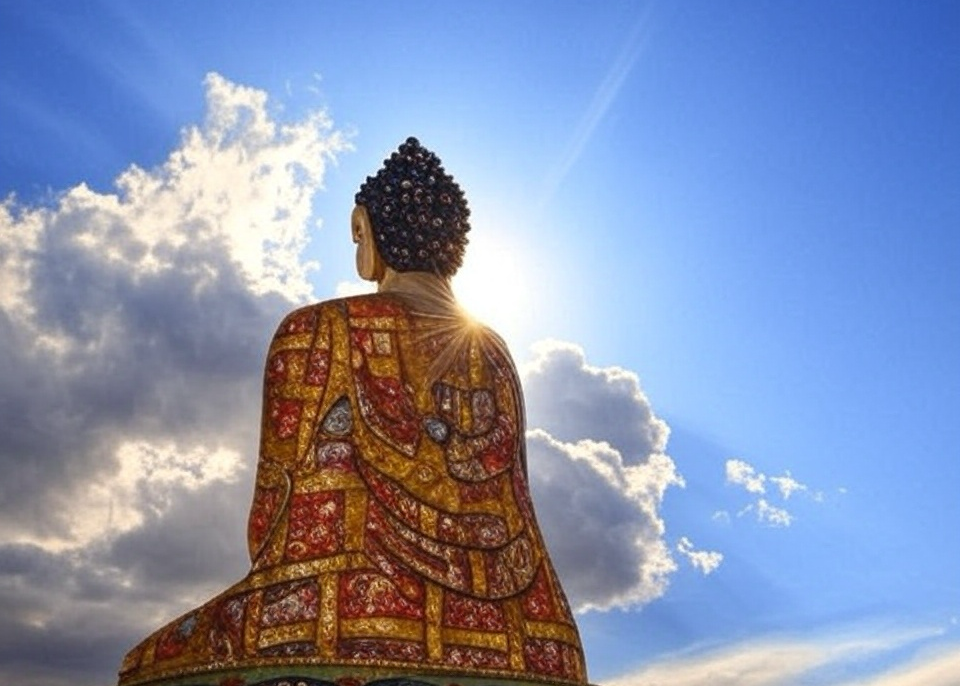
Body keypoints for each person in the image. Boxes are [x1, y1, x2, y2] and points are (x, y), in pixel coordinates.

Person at [118, 138, 588, 686]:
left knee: (142, 664)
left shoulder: (317, 329)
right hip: (535, 630)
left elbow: (274, 508)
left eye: (357, 235)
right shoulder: (495, 351)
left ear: (369, 231)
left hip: (342, 605)